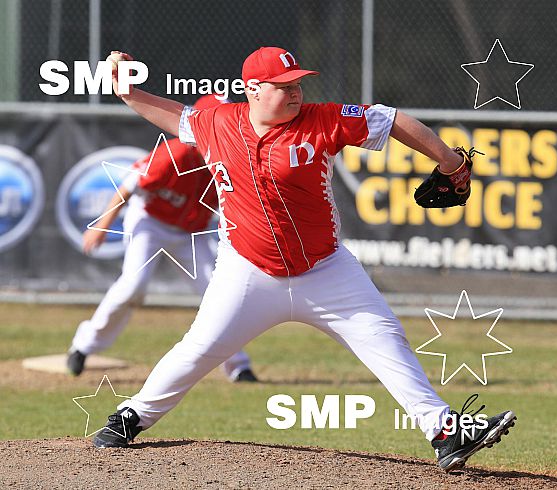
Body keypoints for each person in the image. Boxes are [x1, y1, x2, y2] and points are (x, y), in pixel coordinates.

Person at [92, 47, 516, 472]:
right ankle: (131, 416)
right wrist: (126, 89)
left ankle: (444, 431)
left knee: (386, 339)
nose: (295, 92)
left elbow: (390, 120)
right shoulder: (217, 123)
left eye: (297, 83)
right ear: (252, 89)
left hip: (326, 270)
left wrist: (448, 160)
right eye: (284, 86)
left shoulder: (322, 119)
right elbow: (169, 112)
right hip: (248, 271)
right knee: (200, 349)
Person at [66, 94, 258, 383]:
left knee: (218, 295)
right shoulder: (174, 154)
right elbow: (128, 185)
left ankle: (238, 366)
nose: (222, 129)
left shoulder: (232, 159)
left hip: (191, 231)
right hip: (150, 221)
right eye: (215, 122)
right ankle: (84, 345)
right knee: (133, 285)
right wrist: (102, 225)